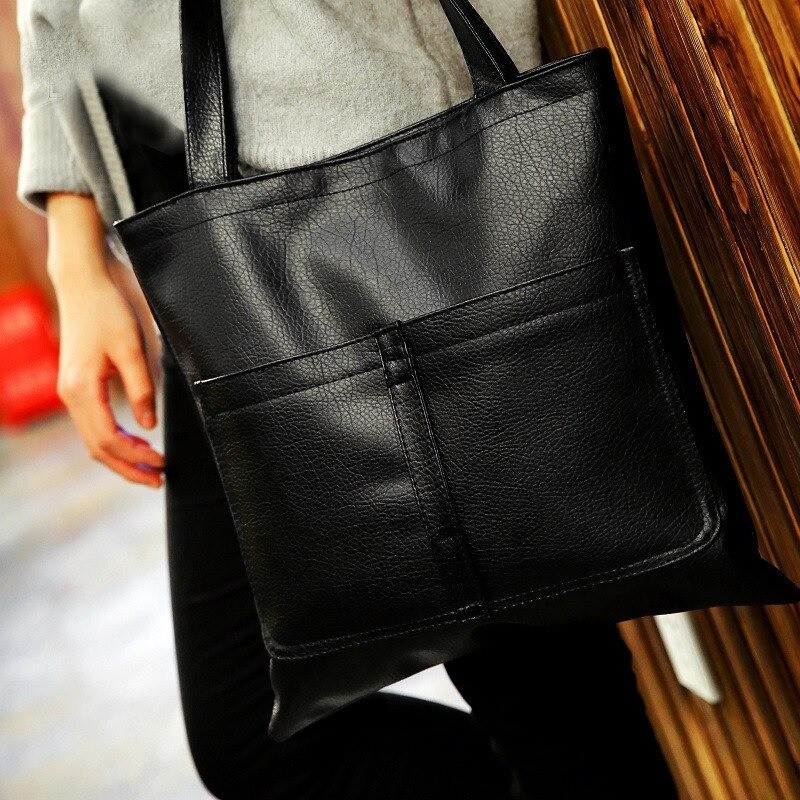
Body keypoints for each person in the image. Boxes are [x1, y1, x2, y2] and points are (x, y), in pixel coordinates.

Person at [17, 2, 679, 797]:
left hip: (382, 192)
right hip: (210, 254)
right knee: (254, 739)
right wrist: (73, 256)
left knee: (550, 707)